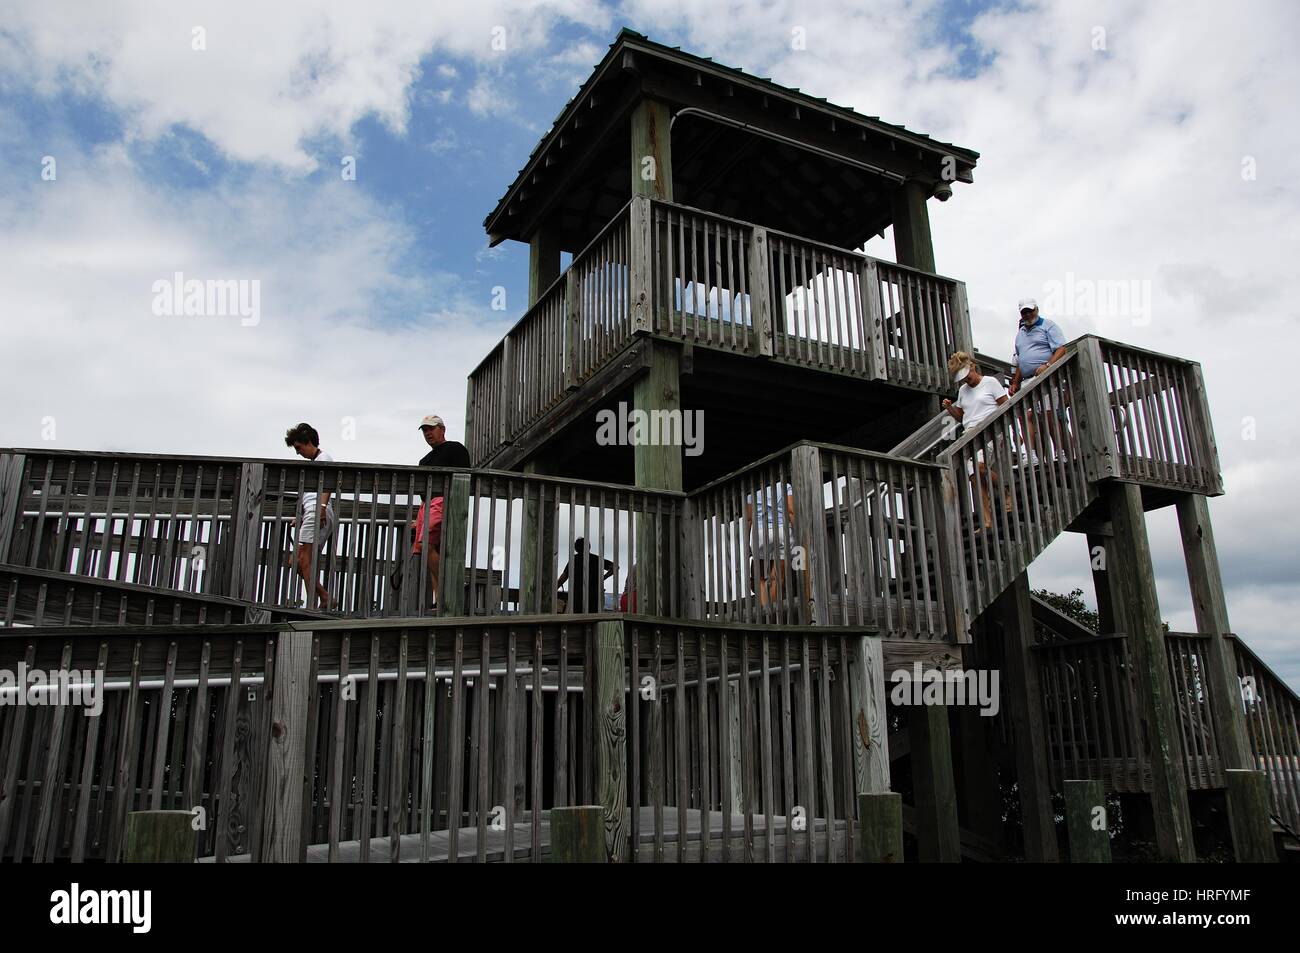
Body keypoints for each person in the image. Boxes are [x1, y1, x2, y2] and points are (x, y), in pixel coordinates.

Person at [943, 352, 1013, 531]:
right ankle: (987, 520)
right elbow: (962, 417)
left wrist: (1012, 432)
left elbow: (1006, 405)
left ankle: (1004, 492)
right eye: (963, 379)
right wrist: (950, 408)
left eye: (968, 376)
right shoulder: (963, 391)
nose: (967, 380)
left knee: (980, 466)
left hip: (990, 429)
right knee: (974, 477)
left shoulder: (990, 382)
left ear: (972, 366)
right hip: (969, 433)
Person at [410, 414, 471, 608]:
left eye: (431, 429)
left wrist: (455, 505)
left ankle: (450, 587)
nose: (428, 433)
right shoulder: (424, 460)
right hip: (426, 505)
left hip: (445, 501)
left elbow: (464, 477)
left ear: (442, 429)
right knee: (428, 549)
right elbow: (421, 491)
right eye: (425, 430)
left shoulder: (455, 448)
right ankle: (440, 599)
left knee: (427, 545)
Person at [1008, 297, 1067, 463]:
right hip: (1027, 381)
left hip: (1047, 378)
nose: (1027, 314)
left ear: (1037, 309)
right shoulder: (1020, 334)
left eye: (1030, 310)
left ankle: (1061, 453)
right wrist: (1015, 382)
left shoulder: (1048, 325)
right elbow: (1021, 360)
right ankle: (1031, 454)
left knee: (1050, 416)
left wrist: (1048, 365)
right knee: (1027, 416)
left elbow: (1061, 348)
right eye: (1024, 312)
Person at [284, 422, 335, 609]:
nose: (298, 452)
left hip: (317, 511)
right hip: (312, 512)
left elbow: (328, 484)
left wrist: (320, 509)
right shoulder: (314, 464)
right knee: (295, 561)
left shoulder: (324, 458)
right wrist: (302, 516)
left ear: (308, 442)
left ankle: (319, 600)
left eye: (298, 447)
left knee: (304, 559)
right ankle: (320, 597)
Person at [745, 482, 795, 607]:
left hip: (761, 533)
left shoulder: (753, 491)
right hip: (782, 531)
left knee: (761, 577)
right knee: (778, 577)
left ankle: (765, 610)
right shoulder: (786, 486)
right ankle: (773, 610)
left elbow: (749, 519)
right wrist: (799, 535)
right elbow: (791, 512)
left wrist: (747, 542)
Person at [557, 538, 615, 613]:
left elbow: (563, 577)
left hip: (577, 596)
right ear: (589, 546)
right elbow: (615, 567)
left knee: (578, 619)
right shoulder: (596, 559)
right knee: (593, 619)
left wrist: (554, 589)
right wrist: (603, 578)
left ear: (576, 548)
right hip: (594, 596)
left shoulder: (574, 560)